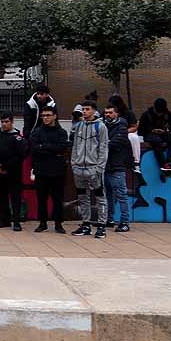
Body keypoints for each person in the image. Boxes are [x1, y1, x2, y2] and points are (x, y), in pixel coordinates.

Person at [70, 100, 110, 238]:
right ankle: (85, 224)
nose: (84, 112)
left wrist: (100, 167)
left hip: (94, 168)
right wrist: (74, 163)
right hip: (79, 168)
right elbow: (75, 146)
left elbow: (104, 148)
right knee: (83, 197)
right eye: (83, 109)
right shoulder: (79, 125)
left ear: (94, 110)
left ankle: (101, 226)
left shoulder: (101, 127)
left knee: (100, 197)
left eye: (87, 109)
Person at [29, 105, 69, 233]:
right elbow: (34, 148)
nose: (45, 118)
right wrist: (51, 148)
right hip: (41, 170)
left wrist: (44, 147)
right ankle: (42, 222)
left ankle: (58, 224)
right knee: (41, 198)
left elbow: (62, 148)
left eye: (48, 115)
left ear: (55, 116)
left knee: (58, 198)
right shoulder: (37, 132)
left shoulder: (61, 132)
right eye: (43, 116)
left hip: (58, 171)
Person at [0, 112, 27, 231]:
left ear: (12, 122)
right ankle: (4, 219)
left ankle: (16, 221)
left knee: (15, 197)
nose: (4, 124)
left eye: (6, 122)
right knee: (2, 196)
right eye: (2, 122)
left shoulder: (17, 137)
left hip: (13, 172)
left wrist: (5, 166)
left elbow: (20, 156)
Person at [103, 104, 133, 232]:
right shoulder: (104, 126)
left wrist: (103, 143)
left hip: (117, 166)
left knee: (121, 195)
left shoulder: (121, 127)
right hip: (106, 165)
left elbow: (116, 143)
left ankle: (125, 221)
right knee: (107, 195)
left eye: (110, 112)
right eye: (106, 113)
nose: (107, 115)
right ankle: (109, 219)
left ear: (116, 114)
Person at [138, 98, 171, 175]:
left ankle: (169, 163)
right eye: (157, 112)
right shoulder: (146, 115)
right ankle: (163, 164)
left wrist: (168, 132)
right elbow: (140, 131)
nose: (159, 114)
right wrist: (152, 131)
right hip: (149, 135)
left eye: (161, 113)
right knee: (157, 141)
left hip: (163, 134)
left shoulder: (168, 114)